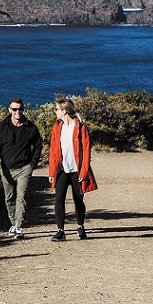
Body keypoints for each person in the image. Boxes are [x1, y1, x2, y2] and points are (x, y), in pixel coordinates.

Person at [0, 98, 42, 239]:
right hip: (6, 168)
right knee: (9, 198)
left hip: (24, 168)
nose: (18, 112)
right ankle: (13, 223)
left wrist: (32, 164)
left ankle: (18, 226)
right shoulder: (2, 127)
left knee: (21, 197)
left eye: (20, 109)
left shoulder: (30, 127)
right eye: (14, 109)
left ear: (23, 109)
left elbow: (38, 145)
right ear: (9, 110)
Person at [47, 98, 98, 241]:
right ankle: (60, 231)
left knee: (78, 199)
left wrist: (83, 172)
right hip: (62, 170)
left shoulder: (81, 127)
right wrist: (52, 172)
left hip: (77, 170)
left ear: (64, 111)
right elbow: (53, 151)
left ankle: (80, 227)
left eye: (57, 109)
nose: (55, 112)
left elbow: (86, 151)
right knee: (59, 199)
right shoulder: (57, 127)